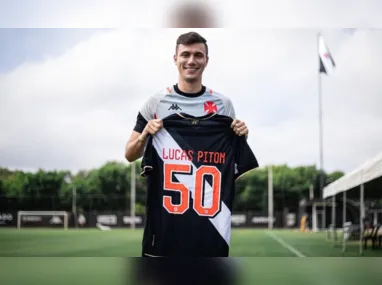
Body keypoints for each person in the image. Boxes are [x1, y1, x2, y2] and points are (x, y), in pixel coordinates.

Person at [124, 31, 249, 163]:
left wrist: (242, 136)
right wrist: (144, 136)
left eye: (198, 55)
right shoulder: (156, 103)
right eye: (185, 55)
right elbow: (129, 155)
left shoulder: (223, 104)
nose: (191, 61)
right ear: (175, 59)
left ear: (206, 61)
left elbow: (233, 156)